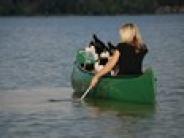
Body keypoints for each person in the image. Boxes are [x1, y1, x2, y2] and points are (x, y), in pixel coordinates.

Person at [89, 23, 148, 88]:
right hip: (137, 77)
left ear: (126, 34)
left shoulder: (121, 46)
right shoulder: (143, 48)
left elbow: (110, 66)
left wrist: (96, 76)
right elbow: (130, 59)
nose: (121, 36)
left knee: (106, 71)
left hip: (122, 79)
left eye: (121, 34)